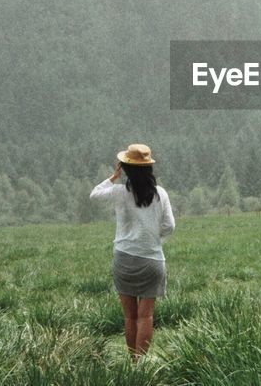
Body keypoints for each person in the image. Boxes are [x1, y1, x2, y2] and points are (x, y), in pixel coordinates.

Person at [90, 143, 175, 359]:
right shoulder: (161, 194)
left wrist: (113, 176)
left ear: (126, 168)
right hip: (152, 260)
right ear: (149, 168)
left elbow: (94, 195)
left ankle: (132, 363)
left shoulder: (119, 193)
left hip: (124, 258)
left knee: (130, 317)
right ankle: (141, 364)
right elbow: (170, 226)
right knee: (146, 317)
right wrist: (155, 240)